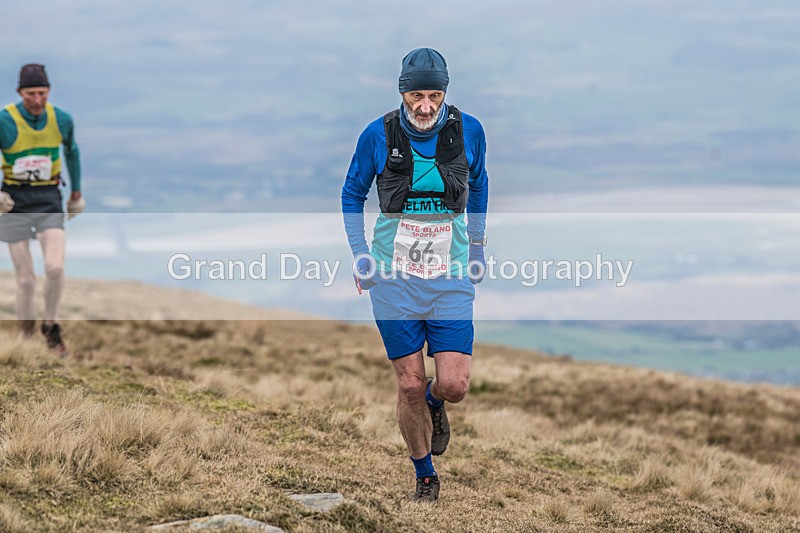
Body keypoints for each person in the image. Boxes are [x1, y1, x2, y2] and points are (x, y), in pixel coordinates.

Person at [341, 48, 488, 502]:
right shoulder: (377, 134)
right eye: (416, 96)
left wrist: (477, 246)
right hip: (392, 279)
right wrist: (360, 254)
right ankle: (425, 475)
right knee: (408, 383)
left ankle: (434, 402)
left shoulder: (469, 130)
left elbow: (480, 183)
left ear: (445, 93)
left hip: (450, 275)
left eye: (434, 96)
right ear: (402, 92)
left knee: (454, 385)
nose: (425, 107)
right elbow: (352, 193)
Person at [0, 64, 85, 355]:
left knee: (55, 268)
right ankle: (25, 339)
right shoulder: (5, 121)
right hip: (13, 202)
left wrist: (76, 193)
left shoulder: (61, 119)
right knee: (26, 281)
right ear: (19, 93)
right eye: (30, 94)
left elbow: (72, 152)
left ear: (49, 91)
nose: (37, 100)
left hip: (49, 198)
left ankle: (51, 327)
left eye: (42, 93)